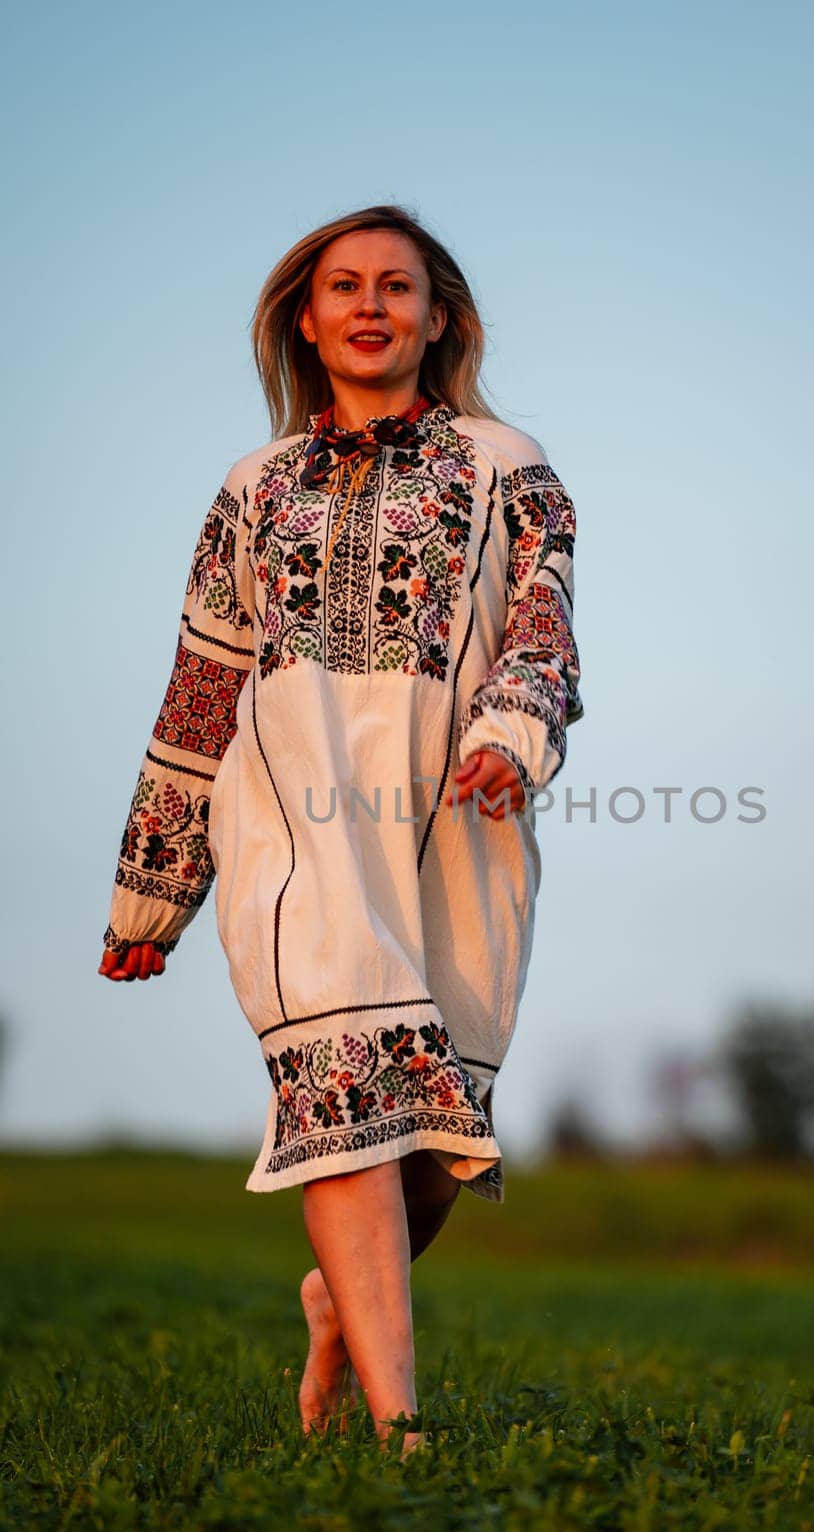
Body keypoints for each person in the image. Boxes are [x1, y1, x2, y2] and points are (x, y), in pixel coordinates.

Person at [96, 203, 584, 1458]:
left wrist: (511, 734)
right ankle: (401, 1435)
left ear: (437, 317)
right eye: (344, 287)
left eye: (397, 287)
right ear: (304, 322)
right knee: (345, 1084)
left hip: (459, 812)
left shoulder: (505, 462)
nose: (371, 305)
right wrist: (155, 884)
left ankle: (338, 1301)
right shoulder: (248, 490)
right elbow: (202, 678)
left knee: (434, 1133)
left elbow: (543, 620)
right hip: (289, 808)